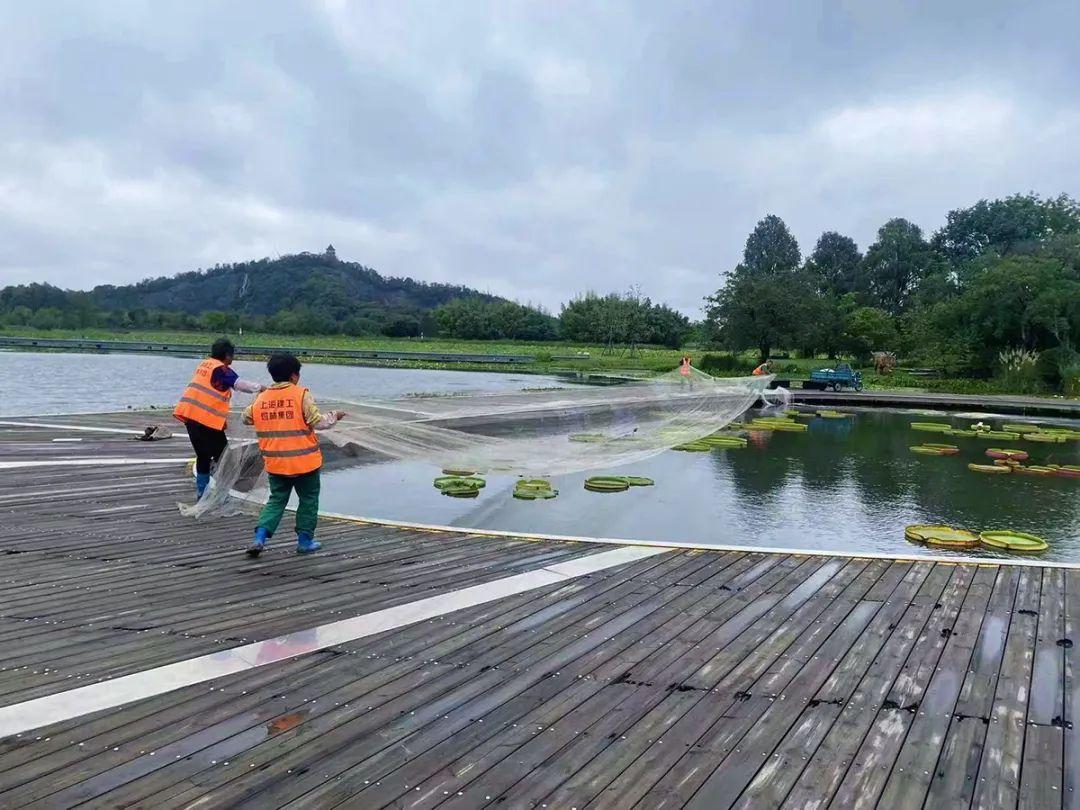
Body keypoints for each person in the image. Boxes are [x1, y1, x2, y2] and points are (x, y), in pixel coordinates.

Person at [244, 353, 346, 557]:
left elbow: (246, 418)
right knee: (308, 500)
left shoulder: (261, 398)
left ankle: (259, 538)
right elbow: (319, 422)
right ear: (294, 376)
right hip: (304, 463)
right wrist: (335, 415)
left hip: (276, 464)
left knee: (276, 500)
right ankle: (305, 542)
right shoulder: (300, 395)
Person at [173, 338, 264, 499]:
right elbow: (239, 383)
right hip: (206, 421)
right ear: (227, 355)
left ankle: (203, 493)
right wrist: (261, 388)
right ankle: (222, 494)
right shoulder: (221, 369)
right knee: (224, 458)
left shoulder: (205, 365)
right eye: (232, 355)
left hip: (190, 416)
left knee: (203, 456)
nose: (233, 359)